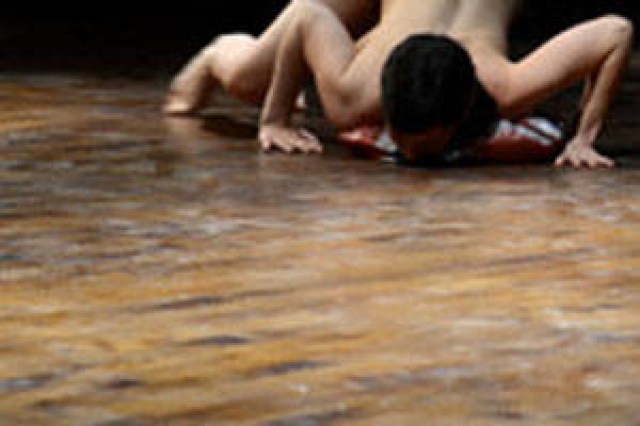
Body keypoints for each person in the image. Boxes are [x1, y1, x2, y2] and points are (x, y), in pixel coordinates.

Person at [165, 0, 634, 169]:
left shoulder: (502, 88)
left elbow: (616, 31)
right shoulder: (353, 96)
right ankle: (216, 54)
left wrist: (584, 138)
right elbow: (307, 16)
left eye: (425, 149)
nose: (408, 157)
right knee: (250, 82)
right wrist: (274, 118)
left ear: (463, 112)